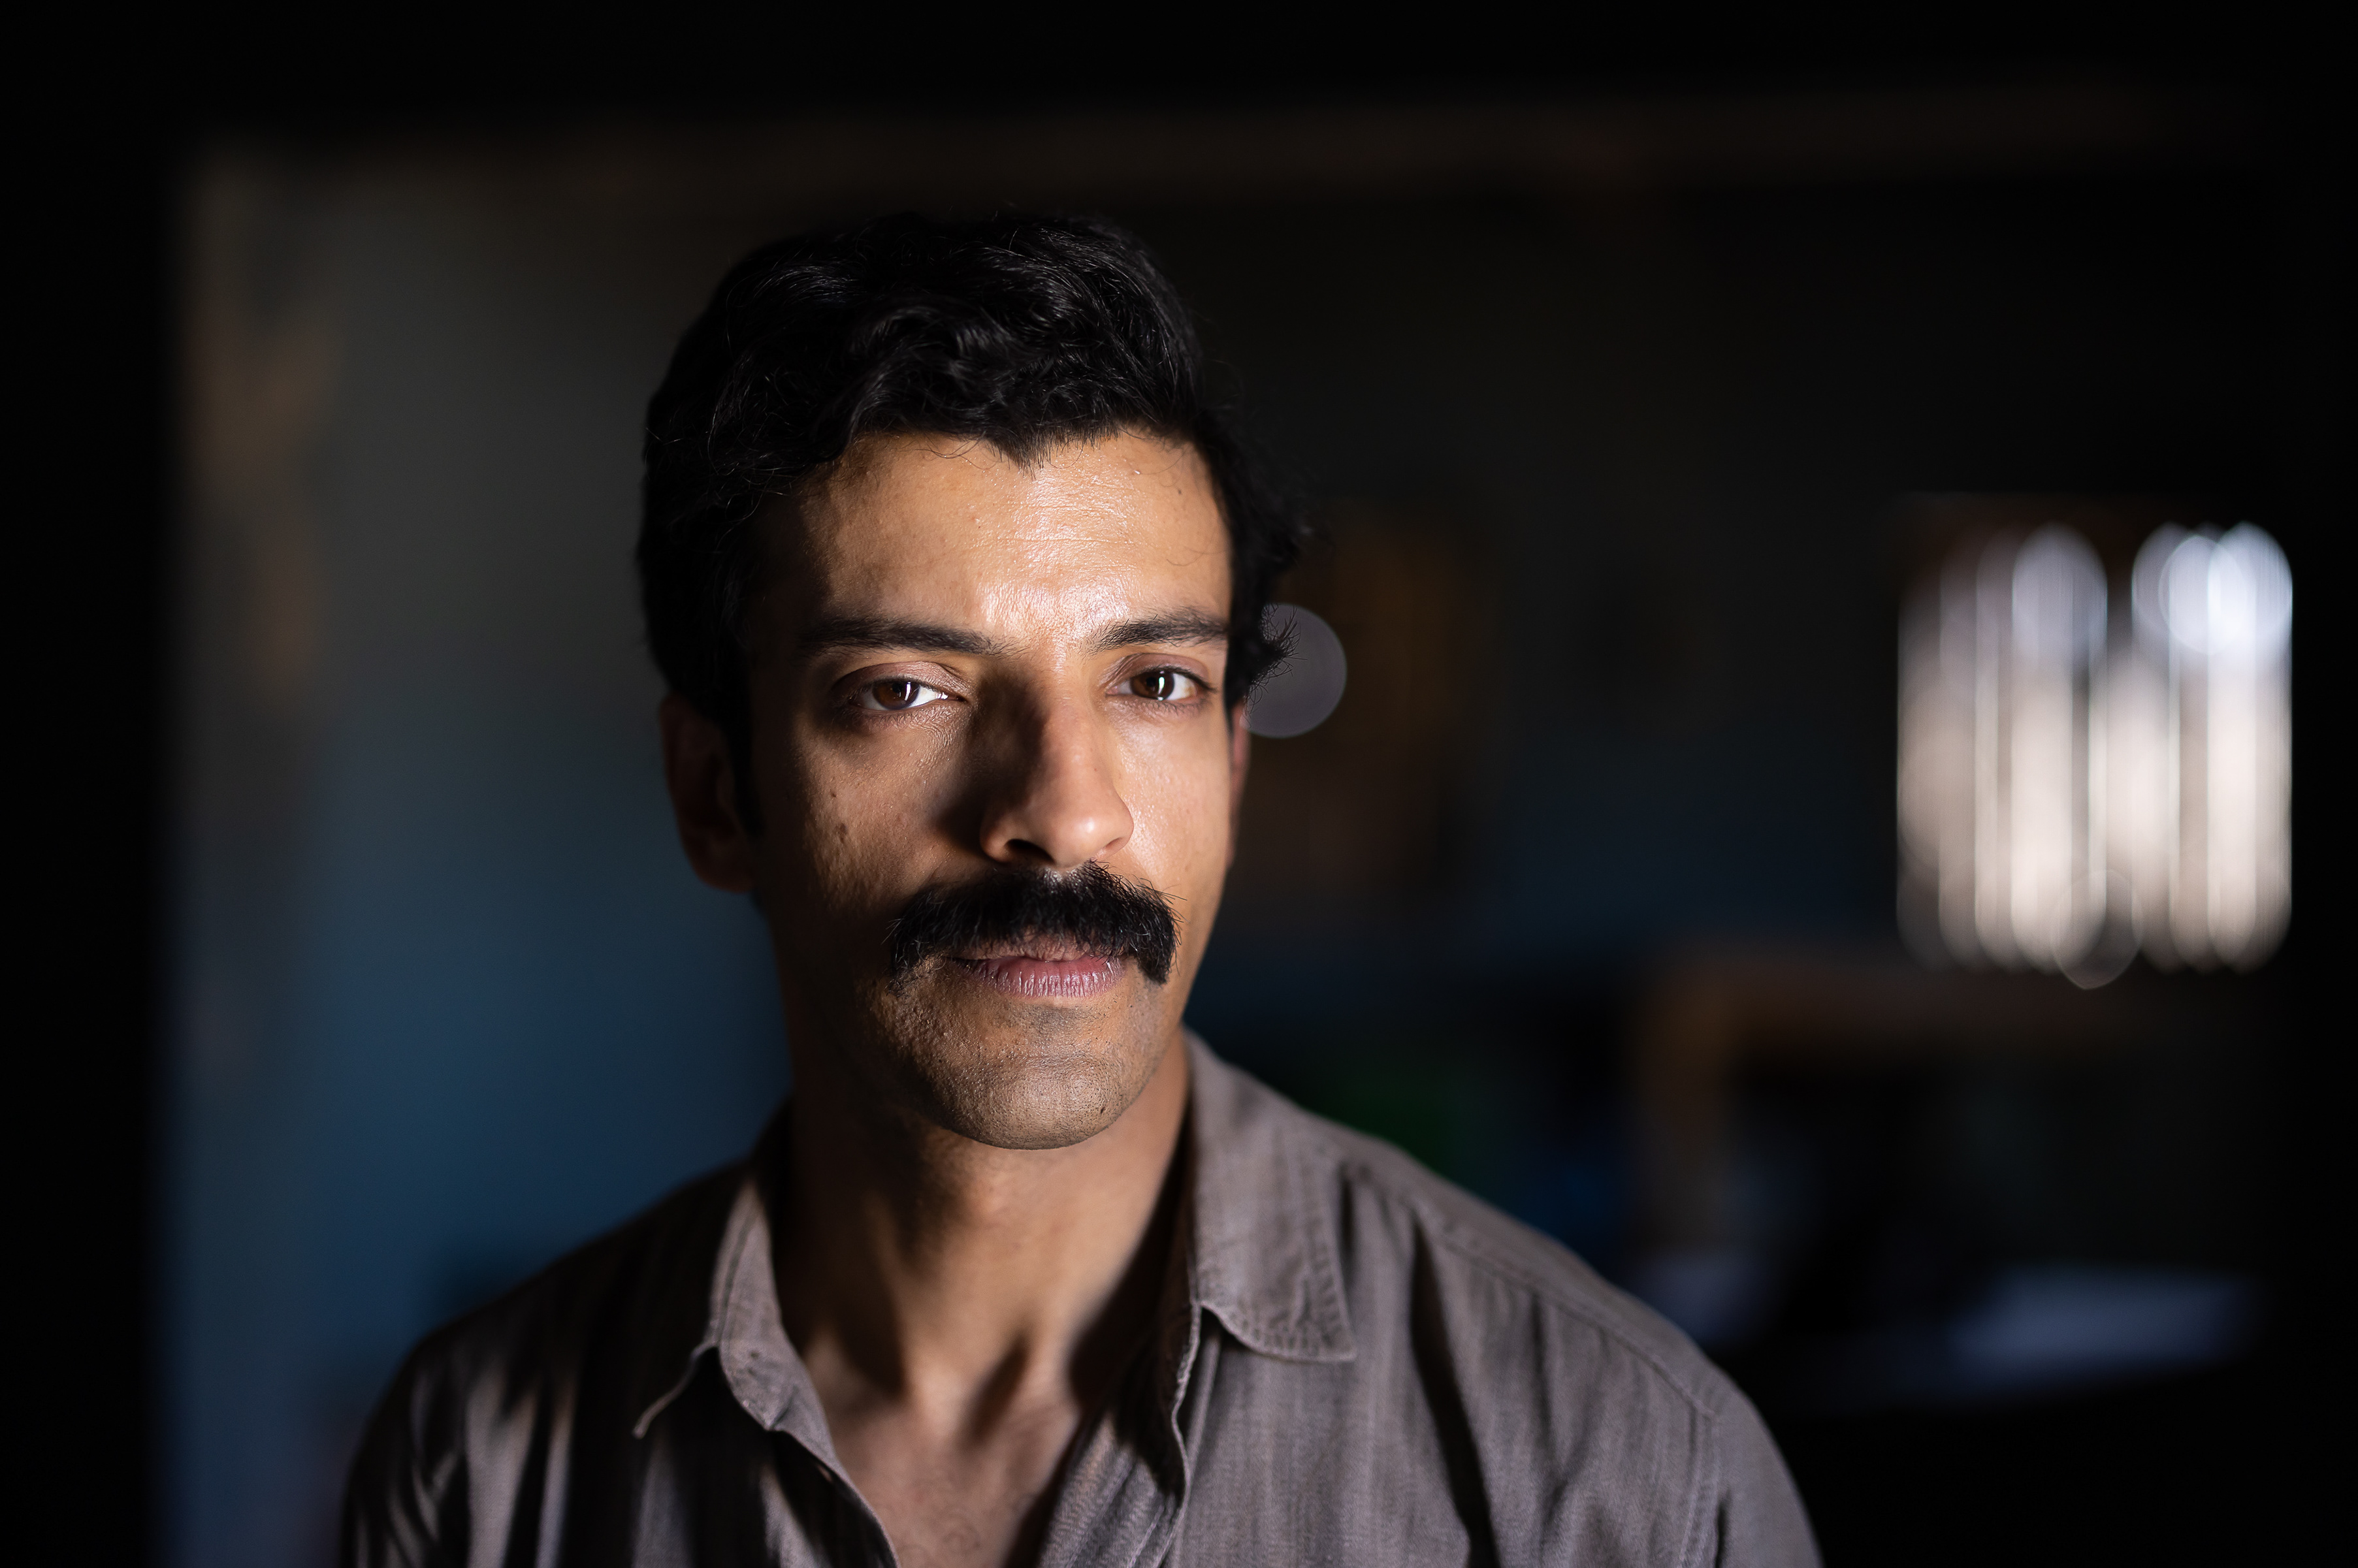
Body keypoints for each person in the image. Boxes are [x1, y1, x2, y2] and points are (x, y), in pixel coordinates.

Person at [342, 212, 1818, 1567]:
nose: (1063, 814)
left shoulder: (1624, 1479)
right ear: (717, 793)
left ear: (1232, 766)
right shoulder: (482, 1470)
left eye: (1155, 681)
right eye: (907, 689)